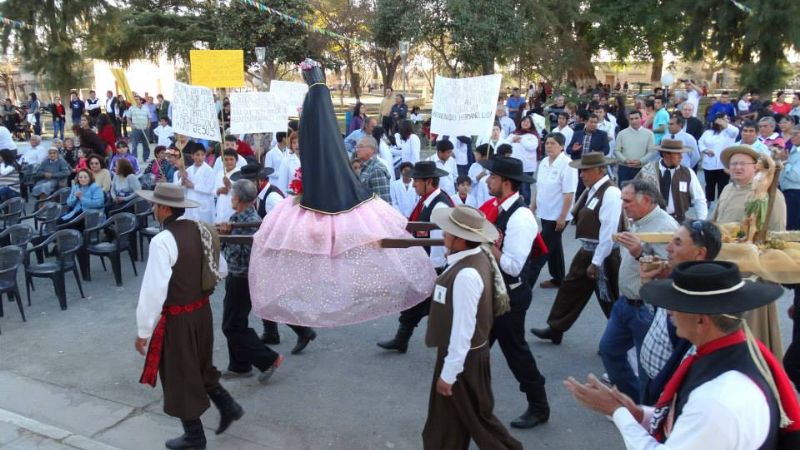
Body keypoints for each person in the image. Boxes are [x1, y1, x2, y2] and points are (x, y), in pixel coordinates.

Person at [249, 59, 436, 330]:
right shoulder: (315, 108)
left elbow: (321, 143)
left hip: (329, 182)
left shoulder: (318, 105)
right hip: (321, 178)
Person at [566, 260, 800, 449]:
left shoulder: (716, 399)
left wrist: (615, 411)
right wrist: (638, 414)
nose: (668, 312)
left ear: (701, 319)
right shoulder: (733, 353)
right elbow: (688, 425)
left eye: (676, 304)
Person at [134, 183, 243, 449]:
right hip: (201, 314)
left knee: (180, 373)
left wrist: (143, 330)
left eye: (154, 204)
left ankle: (195, 436)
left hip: (179, 319)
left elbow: (153, 291)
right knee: (200, 365)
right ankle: (227, 406)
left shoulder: (162, 241)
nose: (152, 209)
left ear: (163, 208)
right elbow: (222, 269)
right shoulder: (202, 229)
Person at [421, 205, 522, 450]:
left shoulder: (467, 274)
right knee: (447, 425)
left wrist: (448, 374)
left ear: (459, 240)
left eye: (449, 231)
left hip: (463, 362)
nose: (444, 233)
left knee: (480, 424)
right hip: (462, 359)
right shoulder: (473, 258)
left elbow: (462, 331)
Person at [598, 180, 678, 401]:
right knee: (609, 350)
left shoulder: (666, 228)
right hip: (625, 304)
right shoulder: (639, 219)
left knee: (648, 370)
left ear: (647, 200)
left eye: (628, 200)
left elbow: (667, 271)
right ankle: (632, 402)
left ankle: (647, 416)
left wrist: (638, 253)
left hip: (645, 309)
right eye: (623, 200)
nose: (623, 205)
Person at [531, 152, 622, 344]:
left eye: (585, 170)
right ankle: (556, 327)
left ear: (600, 170)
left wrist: (596, 262)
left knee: (609, 297)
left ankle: (620, 338)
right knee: (570, 289)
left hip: (602, 254)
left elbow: (609, 231)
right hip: (587, 250)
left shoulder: (611, 192)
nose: (581, 174)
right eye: (581, 170)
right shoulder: (593, 189)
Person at [711, 146, 787, 355]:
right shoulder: (728, 189)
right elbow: (715, 222)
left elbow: (775, 236)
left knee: (749, 333)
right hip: (722, 269)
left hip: (751, 275)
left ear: (756, 168)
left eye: (742, 163)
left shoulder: (770, 196)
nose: (736, 167)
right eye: (733, 163)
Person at [378, 160, 452, 352]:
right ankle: (402, 339)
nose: (413, 184)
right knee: (417, 303)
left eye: (416, 181)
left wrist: (433, 272)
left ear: (429, 182)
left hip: (433, 267)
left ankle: (450, 346)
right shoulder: (426, 201)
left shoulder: (439, 207)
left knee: (425, 304)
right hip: (423, 263)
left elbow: (439, 245)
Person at [216, 179, 284, 382]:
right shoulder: (239, 218)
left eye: (232, 196)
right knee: (235, 322)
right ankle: (239, 365)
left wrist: (224, 237)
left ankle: (268, 359)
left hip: (242, 279)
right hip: (238, 278)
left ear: (237, 198)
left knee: (232, 326)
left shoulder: (247, 222)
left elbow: (237, 256)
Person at [534, 133, 578, 289]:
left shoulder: (568, 164)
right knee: (554, 247)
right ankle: (558, 278)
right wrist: (532, 207)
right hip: (544, 212)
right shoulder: (545, 162)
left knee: (540, 250)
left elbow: (569, 193)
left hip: (558, 215)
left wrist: (562, 217)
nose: (549, 146)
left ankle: (526, 281)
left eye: (553, 143)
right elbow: (539, 187)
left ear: (561, 146)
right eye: (546, 143)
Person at [636, 139, 708, 222]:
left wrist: (701, 221)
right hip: (651, 221)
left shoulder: (687, 173)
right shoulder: (647, 171)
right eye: (677, 154)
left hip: (679, 221)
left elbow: (699, 199)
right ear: (665, 154)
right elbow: (634, 196)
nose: (681, 157)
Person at [698, 113, 739, 202]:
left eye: (726, 119)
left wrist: (725, 124)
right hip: (709, 163)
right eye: (723, 119)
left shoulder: (730, 133)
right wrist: (705, 150)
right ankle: (708, 201)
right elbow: (701, 142)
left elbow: (735, 131)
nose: (726, 121)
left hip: (723, 164)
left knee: (723, 185)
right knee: (709, 184)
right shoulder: (708, 133)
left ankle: (721, 202)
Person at [173, 146, 215, 223]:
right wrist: (183, 179)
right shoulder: (188, 170)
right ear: (192, 156)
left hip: (203, 205)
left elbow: (210, 189)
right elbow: (180, 189)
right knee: (191, 229)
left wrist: (193, 186)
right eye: (197, 155)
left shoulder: (209, 171)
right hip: (190, 204)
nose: (200, 157)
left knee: (204, 229)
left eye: (202, 155)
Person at [615, 110, 656, 184]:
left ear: (641, 119)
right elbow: (617, 150)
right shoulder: (621, 134)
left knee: (641, 192)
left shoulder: (649, 134)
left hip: (642, 168)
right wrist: (625, 160)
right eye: (631, 119)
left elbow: (651, 151)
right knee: (624, 191)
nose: (634, 121)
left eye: (636, 118)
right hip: (624, 168)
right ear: (629, 120)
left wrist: (640, 161)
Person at [356, 136, 391, 203]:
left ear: (372, 149)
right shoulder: (365, 166)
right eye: (357, 147)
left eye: (360, 146)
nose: (357, 150)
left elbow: (383, 202)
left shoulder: (376, 170)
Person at [213, 149, 240, 224]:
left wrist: (230, 186)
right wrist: (218, 190)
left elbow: (242, 193)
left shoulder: (240, 174)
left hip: (232, 209)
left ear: (236, 160)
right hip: (220, 206)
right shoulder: (220, 174)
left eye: (231, 159)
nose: (229, 162)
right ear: (222, 161)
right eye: (226, 159)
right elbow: (213, 191)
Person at [781, 125, 800, 231]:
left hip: (796, 193)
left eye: (796, 134)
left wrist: (786, 162)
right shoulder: (793, 150)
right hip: (788, 193)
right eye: (792, 134)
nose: (792, 137)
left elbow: (796, 176)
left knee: (794, 228)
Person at [128, 95, 152, 161]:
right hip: (136, 129)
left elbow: (149, 118)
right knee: (134, 145)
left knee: (146, 144)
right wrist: (132, 126)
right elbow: (128, 118)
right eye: (134, 99)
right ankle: (134, 159)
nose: (135, 100)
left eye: (137, 99)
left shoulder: (146, 108)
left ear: (141, 100)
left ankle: (146, 158)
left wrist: (148, 126)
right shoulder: (131, 108)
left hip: (145, 129)